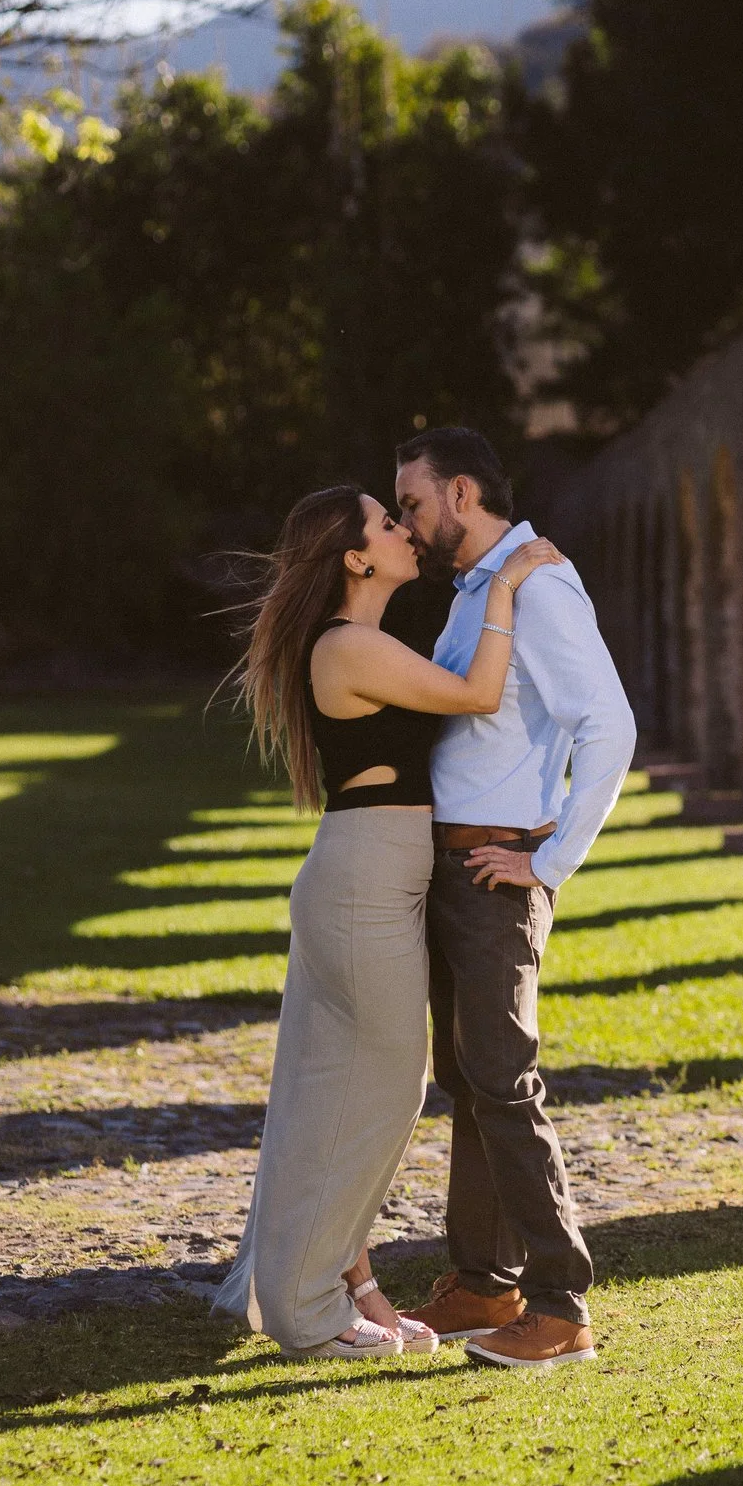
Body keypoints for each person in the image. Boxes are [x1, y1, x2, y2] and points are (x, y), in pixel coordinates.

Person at [215, 483, 565, 1360]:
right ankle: (307, 1308)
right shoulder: (347, 647)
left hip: (374, 876)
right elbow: (481, 693)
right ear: (356, 559)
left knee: (335, 1090)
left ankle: (344, 1282)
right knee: (383, 1090)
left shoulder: (363, 643)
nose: (405, 529)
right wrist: (511, 583)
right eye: (385, 522)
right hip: (365, 881)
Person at [392, 427, 636, 1370]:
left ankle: (560, 1302)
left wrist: (551, 862)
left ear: (460, 493)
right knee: (467, 1080)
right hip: (452, 871)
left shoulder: (539, 586)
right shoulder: (478, 593)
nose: (407, 522)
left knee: (502, 1075)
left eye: (411, 503)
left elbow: (608, 725)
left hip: (499, 875)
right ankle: (483, 1281)